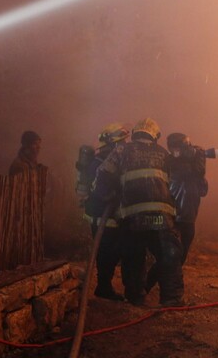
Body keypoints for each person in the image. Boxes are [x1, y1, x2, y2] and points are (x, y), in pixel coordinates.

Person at [93, 118, 184, 307]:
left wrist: (109, 195)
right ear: (155, 135)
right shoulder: (164, 153)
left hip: (132, 218)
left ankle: (136, 298)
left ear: (135, 133)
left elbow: (102, 175)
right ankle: (171, 299)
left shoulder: (121, 151)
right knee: (169, 255)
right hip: (161, 217)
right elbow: (177, 182)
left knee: (134, 257)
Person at [146, 133, 209, 293]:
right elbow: (186, 172)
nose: (176, 151)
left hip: (187, 217)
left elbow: (202, 185)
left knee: (178, 257)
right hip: (171, 217)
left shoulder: (193, 166)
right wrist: (196, 155)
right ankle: (150, 287)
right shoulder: (170, 164)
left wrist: (197, 155)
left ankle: (149, 286)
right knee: (171, 256)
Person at [76, 123, 129, 301]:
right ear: (113, 144)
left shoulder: (108, 162)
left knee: (112, 251)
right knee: (106, 252)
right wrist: (111, 195)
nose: (124, 146)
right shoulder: (98, 163)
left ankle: (104, 285)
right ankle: (103, 287)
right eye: (121, 143)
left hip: (108, 216)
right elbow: (99, 189)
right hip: (101, 215)